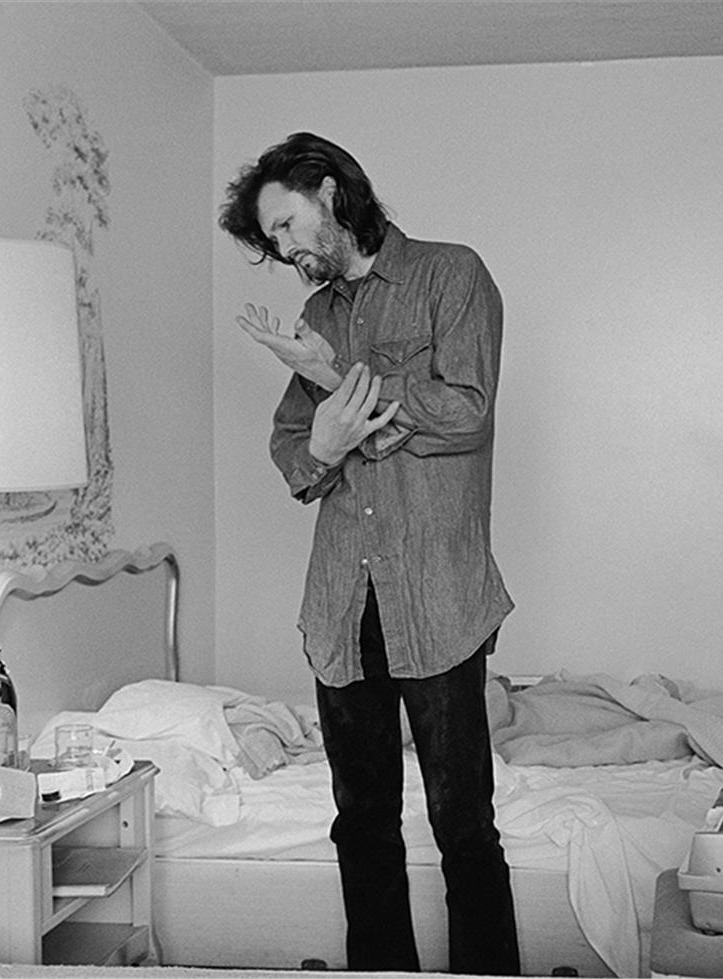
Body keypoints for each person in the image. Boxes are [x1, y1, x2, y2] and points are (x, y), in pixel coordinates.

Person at [218, 132, 519, 975]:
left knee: (463, 822)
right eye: (272, 240)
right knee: (361, 824)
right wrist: (322, 437)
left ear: (327, 191)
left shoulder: (450, 275)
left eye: (285, 225)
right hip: (342, 608)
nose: (284, 249)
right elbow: (292, 454)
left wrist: (339, 376)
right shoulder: (316, 314)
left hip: (439, 597)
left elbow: (466, 411)